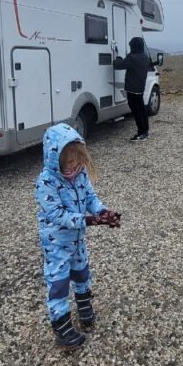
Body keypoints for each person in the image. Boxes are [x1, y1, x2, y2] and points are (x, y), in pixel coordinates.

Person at [35, 122, 120, 349]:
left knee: (82, 272)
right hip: (56, 243)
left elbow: (90, 198)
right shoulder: (46, 182)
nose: (75, 166)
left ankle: (84, 307)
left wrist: (103, 212)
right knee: (59, 281)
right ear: (56, 159)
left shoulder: (80, 174)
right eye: (69, 162)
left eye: (78, 161)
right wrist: (89, 220)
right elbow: (57, 215)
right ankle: (61, 327)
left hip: (77, 239)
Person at [113, 36, 153, 141]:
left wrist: (117, 56)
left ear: (133, 46)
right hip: (140, 89)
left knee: (136, 111)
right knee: (142, 110)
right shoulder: (145, 57)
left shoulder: (132, 58)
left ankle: (141, 133)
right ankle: (146, 131)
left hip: (132, 90)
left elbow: (117, 65)